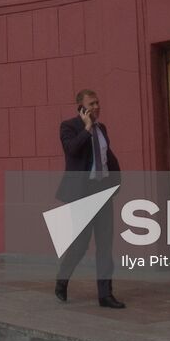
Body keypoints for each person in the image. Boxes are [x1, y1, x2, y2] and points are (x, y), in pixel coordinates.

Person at [54, 88, 125, 308]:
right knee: (80, 245)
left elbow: (106, 157)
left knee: (105, 246)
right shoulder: (69, 126)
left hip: (102, 192)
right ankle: (62, 280)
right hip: (81, 195)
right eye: (92, 104)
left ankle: (105, 295)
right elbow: (71, 150)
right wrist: (86, 129)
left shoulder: (102, 128)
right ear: (81, 107)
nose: (97, 107)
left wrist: (115, 183)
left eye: (98, 103)